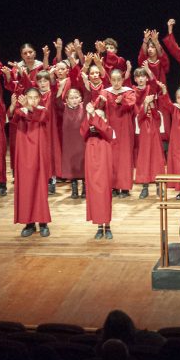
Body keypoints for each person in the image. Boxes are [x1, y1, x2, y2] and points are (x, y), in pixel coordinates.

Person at [12, 87, 52, 237]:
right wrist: (18, 106)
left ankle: (43, 223)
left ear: (40, 99)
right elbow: (15, 119)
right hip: (24, 154)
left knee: (40, 187)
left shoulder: (43, 110)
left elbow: (41, 118)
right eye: (30, 97)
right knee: (26, 187)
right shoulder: (20, 111)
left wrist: (29, 107)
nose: (33, 100)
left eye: (36, 97)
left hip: (39, 154)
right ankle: (29, 223)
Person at [82, 98, 115, 239]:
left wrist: (94, 115)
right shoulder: (89, 136)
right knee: (94, 193)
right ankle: (98, 226)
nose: (97, 119)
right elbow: (82, 131)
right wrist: (89, 116)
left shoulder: (108, 131)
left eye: (101, 117)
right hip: (91, 165)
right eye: (95, 116)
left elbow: (106, 131)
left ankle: (107, 225)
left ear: (105, 120)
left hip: (104, 166)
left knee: (105, 193)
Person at [103, 69, 136, 198]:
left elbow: (131, 104)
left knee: (125, 157)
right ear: (110, 80)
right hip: (111, 127)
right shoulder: (106, 92)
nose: (116, 83)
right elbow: (99, 105)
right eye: (113, 80)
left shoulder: (128, 92)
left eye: (119, 79)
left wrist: (121, 101)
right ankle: (115, 186)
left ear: (122, 80)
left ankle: (125, 187)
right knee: (112, 157)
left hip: (125, 128)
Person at [160, 84, 180, 199]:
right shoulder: (175, 108)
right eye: (179, 97)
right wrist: (164, 90)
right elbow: (166, 103)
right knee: (178, 164)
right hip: (177, 141)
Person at [58, 88, 86, 198]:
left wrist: (85, 81)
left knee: (82, 164)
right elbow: (56, 101)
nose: (74, 100)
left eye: (76, 97)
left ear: (80, 99)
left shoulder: (84, 107)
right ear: (67, 100)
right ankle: (74, 189)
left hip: (81, 141)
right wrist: (61, 87)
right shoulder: (64, 108)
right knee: (72, 164)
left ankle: (85, 189)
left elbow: (88, 95)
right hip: (69, 142)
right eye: (71, 98)